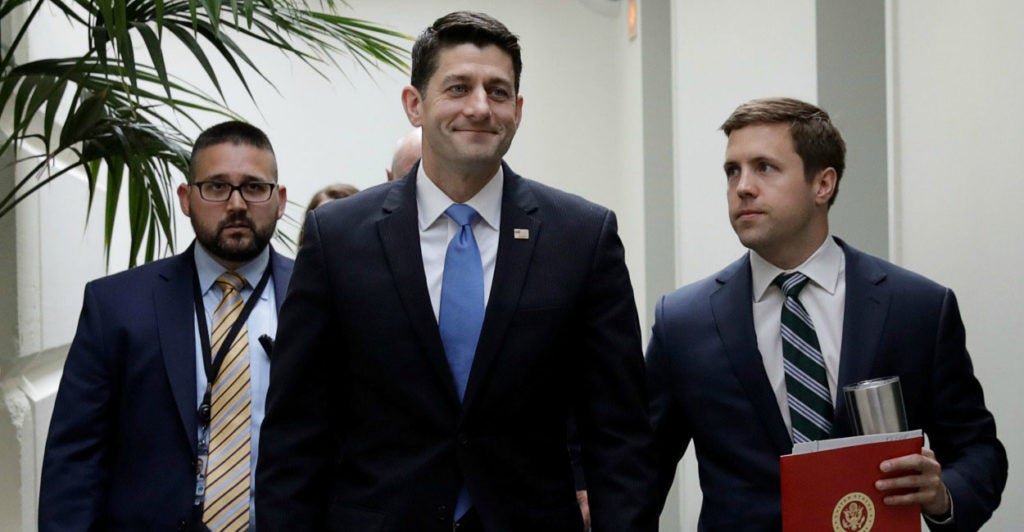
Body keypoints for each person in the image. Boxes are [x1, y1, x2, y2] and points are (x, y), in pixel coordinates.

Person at [256, 11, 655, 531]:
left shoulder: (581, 237)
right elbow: (295, 431)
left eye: (498, 92)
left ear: (518, 110)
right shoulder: (338, 238)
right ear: (414, 104)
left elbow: (620, 436)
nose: (480, 107)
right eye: (459, 87)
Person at [646, 97, 1007, 530]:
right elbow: (640, 468)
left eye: (764, 167)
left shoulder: (917, 307)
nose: (743, 186)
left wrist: (942, 494)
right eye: (732, 171)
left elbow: (977, 451)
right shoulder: (684, 323)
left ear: (823, 184)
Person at [39, 121, 293, 530]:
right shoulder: (116, 306)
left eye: (254, 187)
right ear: (186, 198)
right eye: (216, 187)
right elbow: (75, 461)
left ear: (279, 200)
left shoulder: (320, 298)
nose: (236, 204)